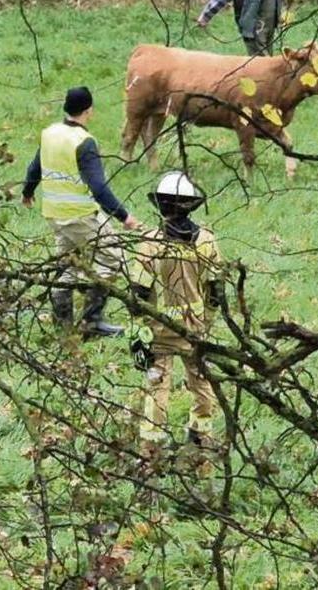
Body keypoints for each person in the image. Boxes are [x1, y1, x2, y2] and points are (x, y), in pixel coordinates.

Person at [22, 86, 141, 336]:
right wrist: (125, 216)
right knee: (113, 258)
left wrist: (28, 191)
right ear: (89, 111)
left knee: (66, 265)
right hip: (80, 215)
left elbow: (35, 167)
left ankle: (62, 324)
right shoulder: (84, 142)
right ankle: (92, 322)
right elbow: (98, 187)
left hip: (55, 214)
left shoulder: (50, 133)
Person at [127, 171, 225, 455]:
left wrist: (139, 333)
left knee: (157, 384)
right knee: (202, 381)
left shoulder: (151, 243)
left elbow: (138, 295)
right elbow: (216, 291)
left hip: (159, 330)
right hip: (196, 330)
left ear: (161, 206)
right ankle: (200, 436)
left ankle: (151, 446)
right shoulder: (207, 240)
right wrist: (205, 321)